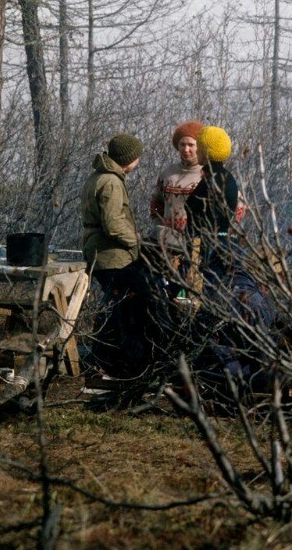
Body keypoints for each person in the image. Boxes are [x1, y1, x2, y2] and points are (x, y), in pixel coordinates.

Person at [80, 131, 161, 382]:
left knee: (116, 309)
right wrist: (138, 242)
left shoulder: (99, 176)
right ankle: (123, 365)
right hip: (112, 256)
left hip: (102, 252)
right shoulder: (112, 182)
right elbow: (114, 224)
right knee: (130, 307)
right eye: (137, 157)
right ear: (129, 158)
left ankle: (105, 362)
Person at [184, 124, 245, 278]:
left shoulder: (213, 180)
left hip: (209, 251)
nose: (196, 150)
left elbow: (198, 212)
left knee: (204, 293)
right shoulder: (224, 177)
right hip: (218, 245)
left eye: (200, 147)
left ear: (206, 151)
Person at [149, 120, 205, 268]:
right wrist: (158, 225)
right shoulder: (168, 174)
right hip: (168, 244)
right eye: (182, 144)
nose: (186, 149)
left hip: (197, 245)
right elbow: (156, 202)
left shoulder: (207, 175)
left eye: (191, 145)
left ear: (199, 146)